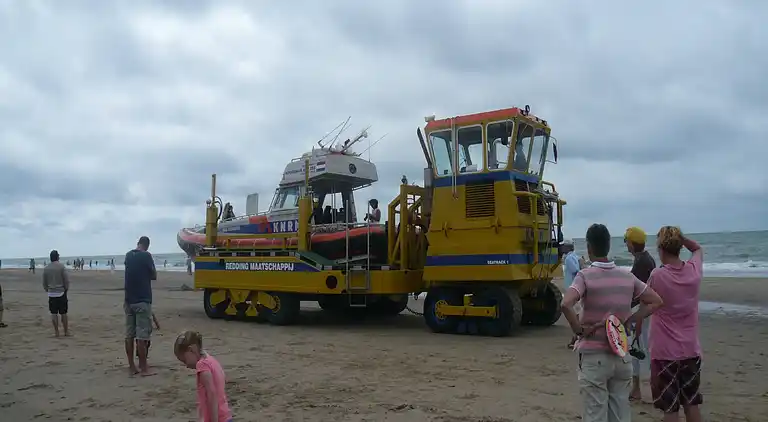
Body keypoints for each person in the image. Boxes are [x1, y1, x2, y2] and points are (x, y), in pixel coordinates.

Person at [561, 223, 664, 422]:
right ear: (609, 246)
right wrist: (632, 319)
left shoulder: (585, 276)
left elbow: (566, 304)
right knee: (620, 414)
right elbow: (656, 301)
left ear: (589, 248)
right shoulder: (627, 276)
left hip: (594, 356)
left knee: (595, 415)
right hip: (621, 354)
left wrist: (579, 330)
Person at [647, 227, 704, 422]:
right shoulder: (694, 271)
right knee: (691, 403)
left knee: (670, 409)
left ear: (661, 249)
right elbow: (697, 249)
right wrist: (682, 239)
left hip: (665, 352)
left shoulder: (658, 275)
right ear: (679, 247)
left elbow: (645, 301)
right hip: (690, 349)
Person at [623, 227, 657, 401]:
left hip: (641, 311)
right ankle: (640, 388)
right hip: (642, 310)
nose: (626, 245)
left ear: (632, 242)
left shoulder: (643, 262)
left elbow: (639, 289)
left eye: (626, 241)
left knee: (640, 349)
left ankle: (643, 388)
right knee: (640, 349)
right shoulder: (644, 259)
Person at [174, 330, 233, 422]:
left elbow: (212, 394)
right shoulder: (211, 360)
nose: (186, 365)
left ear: (191, 350)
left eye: (185, 360)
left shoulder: (202, 366)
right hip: (225, 415)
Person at [124, 236, 157, 376]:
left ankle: (132, 366)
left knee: (129, 335)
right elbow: (154, 275)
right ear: (147, 245)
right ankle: (143, 368)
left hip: (129, 300)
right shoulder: (146, 256)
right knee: (142, 336)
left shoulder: (128, 255)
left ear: (138, 243)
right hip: (142, 300)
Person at [43, 250, 70, 337]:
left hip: (51, 293)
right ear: (57, 257)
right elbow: (66, 280)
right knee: (63, 313)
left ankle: (56, 332)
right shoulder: (61, 267)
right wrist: (66, 288)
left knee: (53, 313)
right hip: (61, 292)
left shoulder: (46, 268)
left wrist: (47, 289)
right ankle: (66, 331)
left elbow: (44, 282)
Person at [561, 239, 581, 349]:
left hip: (571, 288)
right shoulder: (575, 256)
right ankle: (576, 337)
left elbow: (575, 270)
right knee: (577, 313)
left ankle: (576, 337)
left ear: (567, 247)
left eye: (563, 246)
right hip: (576, 287)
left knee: (574, 314)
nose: (562, 248)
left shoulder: (568, 258)